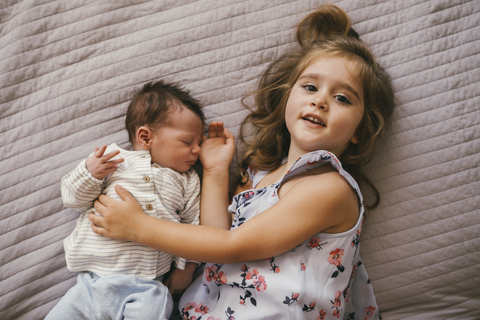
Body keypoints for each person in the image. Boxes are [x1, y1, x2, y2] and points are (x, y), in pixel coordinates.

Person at [88, 4, 394, 320]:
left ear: (360, 130)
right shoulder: (260, 174)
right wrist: (217, 171)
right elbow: (215, 243)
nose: (321, 100)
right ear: (289, 95)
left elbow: (232, 245)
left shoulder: (330, 187)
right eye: (310, 87)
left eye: (342, 98)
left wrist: (140, 227)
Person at [45, 80, 205, 320]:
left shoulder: (187, 180)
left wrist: (186, 269)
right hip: (92, 283)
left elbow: (193, 226)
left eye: (199, 143)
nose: (197, 150)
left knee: (156, 310)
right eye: (187, 142)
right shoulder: (113, 160)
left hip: (146, 286)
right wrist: (89, 174)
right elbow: (73, 200)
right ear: (145, 136)